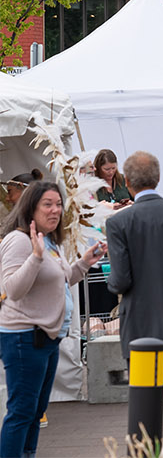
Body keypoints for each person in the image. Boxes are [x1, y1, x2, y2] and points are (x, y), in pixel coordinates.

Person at [104, 151, 163, 451]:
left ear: (128, 183)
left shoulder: (119, 222)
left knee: (145, 400)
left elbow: (120, 280)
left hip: (141, 325)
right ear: (158, 179)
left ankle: (148, 453)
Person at [1, 183, 105, 457]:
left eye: (58, 204)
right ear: (31, 208)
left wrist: (84, 263)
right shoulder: (19, 240)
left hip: (46, 338)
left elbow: (58, 281)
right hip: (24, 338)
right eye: (47, 204)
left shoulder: (48, 241)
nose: (56, 210)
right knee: (21, 411)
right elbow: (12, 289)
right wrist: (35, 258)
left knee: (35, 410)